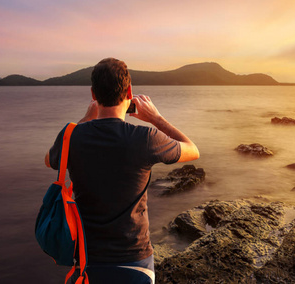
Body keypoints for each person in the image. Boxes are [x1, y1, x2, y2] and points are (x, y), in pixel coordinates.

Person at [44, 58, 200, 283]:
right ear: (129, 91)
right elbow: (192, 150)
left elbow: (50, 160)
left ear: (93, 94)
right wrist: (156, 118)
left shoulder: (72, 136)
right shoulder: (146, 139)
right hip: (135, 263)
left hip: (87, 262)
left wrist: (85, 120)